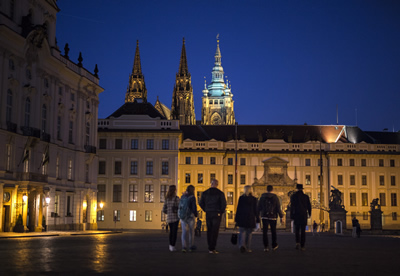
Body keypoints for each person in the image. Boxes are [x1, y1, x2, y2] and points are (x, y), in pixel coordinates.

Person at [199, 179, 227, 254]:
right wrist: (220, 211)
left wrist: (205, 209)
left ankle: (210, 247)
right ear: (217, 184)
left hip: (208, 212)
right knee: (215, 230)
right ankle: (212, 247)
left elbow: (200, 203)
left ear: (210, 184)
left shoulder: (205, 193)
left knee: (209, 230)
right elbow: (223, 204)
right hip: (216, 213)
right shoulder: (220, 193)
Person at [258, 185, 283, 251]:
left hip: (264, 216)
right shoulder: (275, 197)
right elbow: (278, 207)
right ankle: (274, 245)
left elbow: (259, 207)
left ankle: (266, 246)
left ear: (266, 189)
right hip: (273, 216)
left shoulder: (262, 197)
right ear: (272, 190)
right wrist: (281, 216)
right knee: (273, 231)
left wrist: (257, 215)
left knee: (265, 232)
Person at [235, 185, 260, 253]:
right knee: (249, 234)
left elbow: (238, 209)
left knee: (242, 232)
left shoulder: (241, 198)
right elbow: (256, 210)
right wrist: (258, 219)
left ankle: (242, 245)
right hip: (250, 218)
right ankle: (248, 248)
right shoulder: (254, 199)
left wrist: (236, 219)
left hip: (242, 218)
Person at [290, 184, 311, 251]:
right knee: (303, 231)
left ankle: (297, 243)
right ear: (302, 189)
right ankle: (302, 246)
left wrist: (291, 215)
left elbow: (292, 207)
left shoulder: (293, 196)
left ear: (297, 189)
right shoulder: (306, 197)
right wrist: (309, 213)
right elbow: (309, 206)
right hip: (303, 215)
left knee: (297, 230)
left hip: (296, 214)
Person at [179, 185, 198, 252]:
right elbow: (194, 207)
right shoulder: (192, 197)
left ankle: (184, 247)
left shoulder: (182, 196)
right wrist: (196, 214)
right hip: (190, 216)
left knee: (184, 232)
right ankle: (190, 246)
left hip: (183, 216)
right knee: (191, 232)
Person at [162, 185, 180, 252]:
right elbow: (179, 208)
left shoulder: (167, 199)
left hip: (169, 218)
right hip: (175, 218)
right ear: (175, 190)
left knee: (171, 232)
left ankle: (170, 246)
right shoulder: (176, 198)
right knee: (174, 233)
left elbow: (163, 209)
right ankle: (173, 246)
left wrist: (168, 212)